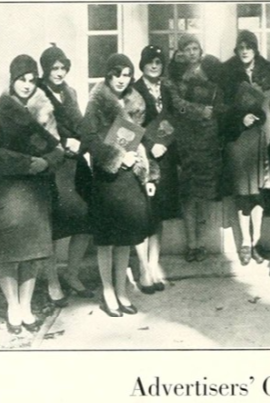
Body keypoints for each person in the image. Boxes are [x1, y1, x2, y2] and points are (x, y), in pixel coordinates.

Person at [0, 54, 65, 333]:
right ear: (12, 80)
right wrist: (28, 163)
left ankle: (26, 307)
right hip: (6, 194)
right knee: (8, 254)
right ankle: (12, 306)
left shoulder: (38, 117)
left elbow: (57, 150)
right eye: (22, 80)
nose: (27, 85)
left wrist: (47, 161)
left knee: (32, 253)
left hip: (34, 195)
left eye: (31, 80)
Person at [80, 53, 158, 316]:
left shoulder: (134, 102)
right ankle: (108, 292)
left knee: (125, 237)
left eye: (126, 75)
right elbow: (89, 139)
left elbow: (140, 139)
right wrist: (117, 156)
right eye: (117, 74)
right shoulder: (97, 102)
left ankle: (122, 291)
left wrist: (148, 174)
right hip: (107, 177)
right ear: (108, 75)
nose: (122, 80)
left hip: (130, 177)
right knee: (106, 240)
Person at [38, 44, 94, 305]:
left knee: (84, 220)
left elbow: (81, 126)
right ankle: (52, 282)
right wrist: (60, 144)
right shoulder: (38, 93)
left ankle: (71, 274)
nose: (59, 72)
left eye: (63, 67)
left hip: (75, 164)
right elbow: (37, 132)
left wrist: (79, 143)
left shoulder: (69, 92)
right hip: (53, 167)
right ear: (46, 69)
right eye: (54, 68)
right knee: (52, 227)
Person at [166, 34, 225, 262]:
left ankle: (203, 242)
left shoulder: (212, 72)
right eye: (187, 49)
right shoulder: (175, 76)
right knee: (189, 193)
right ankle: (192, 243)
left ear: (201, 50)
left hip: (208, 140)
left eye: (195, 48)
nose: (192, 52)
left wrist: (213, 113)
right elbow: (177, 104)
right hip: (186, 141)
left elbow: (219, 103)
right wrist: (201, 111)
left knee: (206, 193)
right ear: (181, 52)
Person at [220, 30, 270, 266]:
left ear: (255, 49)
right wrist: (238, 120)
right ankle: (244, 242)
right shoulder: (227, 74)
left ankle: (257, 242)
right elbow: (220, 109)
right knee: (243, 193)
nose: (245, 51)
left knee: (259, 191)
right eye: (241, 47)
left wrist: (268, 134)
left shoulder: (266, 73)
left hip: (261, 139)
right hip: (239, 139)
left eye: (249, 47)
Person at [133, 45, 181, 291]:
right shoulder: (133, 90)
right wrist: (149, 146)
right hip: (143, 161)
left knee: (158, 215)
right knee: (144, 216)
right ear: (142, 64)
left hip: (165, 159)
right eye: (150, 62)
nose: (154, 66)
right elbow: (124, 130)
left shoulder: (166, 89)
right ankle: (143, 270)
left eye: (158, 62)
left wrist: (165, 142)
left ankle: (154, 266)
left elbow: (173, 120)